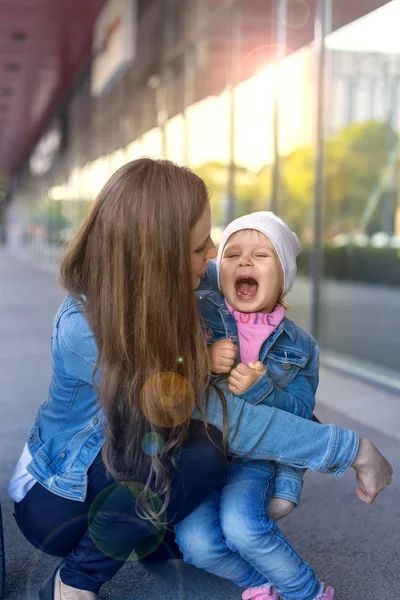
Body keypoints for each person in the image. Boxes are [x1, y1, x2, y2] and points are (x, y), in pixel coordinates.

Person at [7, 159, 392, 600]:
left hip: (120, 461)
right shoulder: (84, 326)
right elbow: (225, 417)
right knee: (198, 448)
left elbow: (251, 280)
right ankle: (73, 582)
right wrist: (352, 449)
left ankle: (145, 532)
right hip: (58, 499)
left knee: (188, 461)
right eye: (198, 247)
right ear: (158, 255)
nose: (212, 254)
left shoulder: (173, 282)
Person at [175, 211, 331, 600]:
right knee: (196, 545)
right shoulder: (197, 316)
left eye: (261, 255)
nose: (245, 262)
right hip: (199, 452)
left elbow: (301, 416)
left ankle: (306, 591)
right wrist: (201, 360)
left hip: (254, 460)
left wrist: (264, 390)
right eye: (232, 255)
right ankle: (259, 584)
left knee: (242, 526)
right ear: (219, 271)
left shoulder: (300, 346)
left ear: (283, 276)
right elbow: (163, 373)